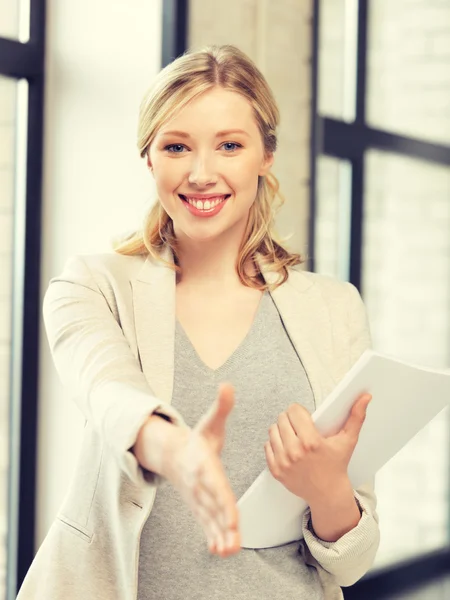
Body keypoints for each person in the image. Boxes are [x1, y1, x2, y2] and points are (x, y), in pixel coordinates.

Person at [17, 44, 380, 600]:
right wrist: (172, 450)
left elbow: (352, 562)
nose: (202, 172)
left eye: (230, 145)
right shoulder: (91, 285)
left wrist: (329, 489)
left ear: (266, 155)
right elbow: (107, 391)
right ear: (150, 158)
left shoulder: (335, 309)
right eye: (177, 146)